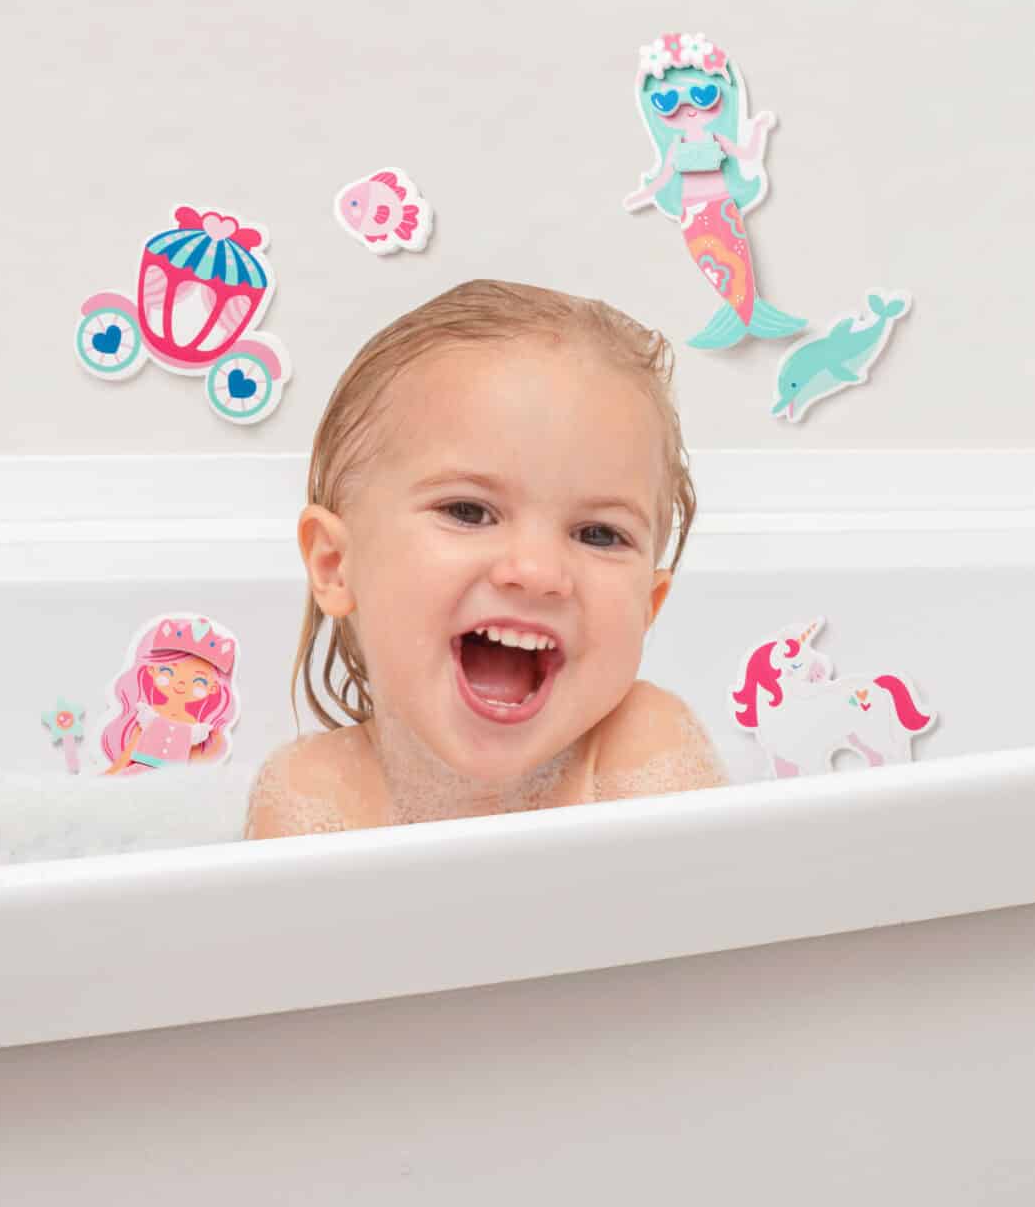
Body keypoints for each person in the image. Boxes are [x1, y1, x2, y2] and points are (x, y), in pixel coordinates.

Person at [245, 280, 726, 837]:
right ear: (334, 565)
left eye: (598, 534)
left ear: (649, 607)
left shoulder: (642, 753)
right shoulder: (314, 793)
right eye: (469, 512)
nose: (539, 573)